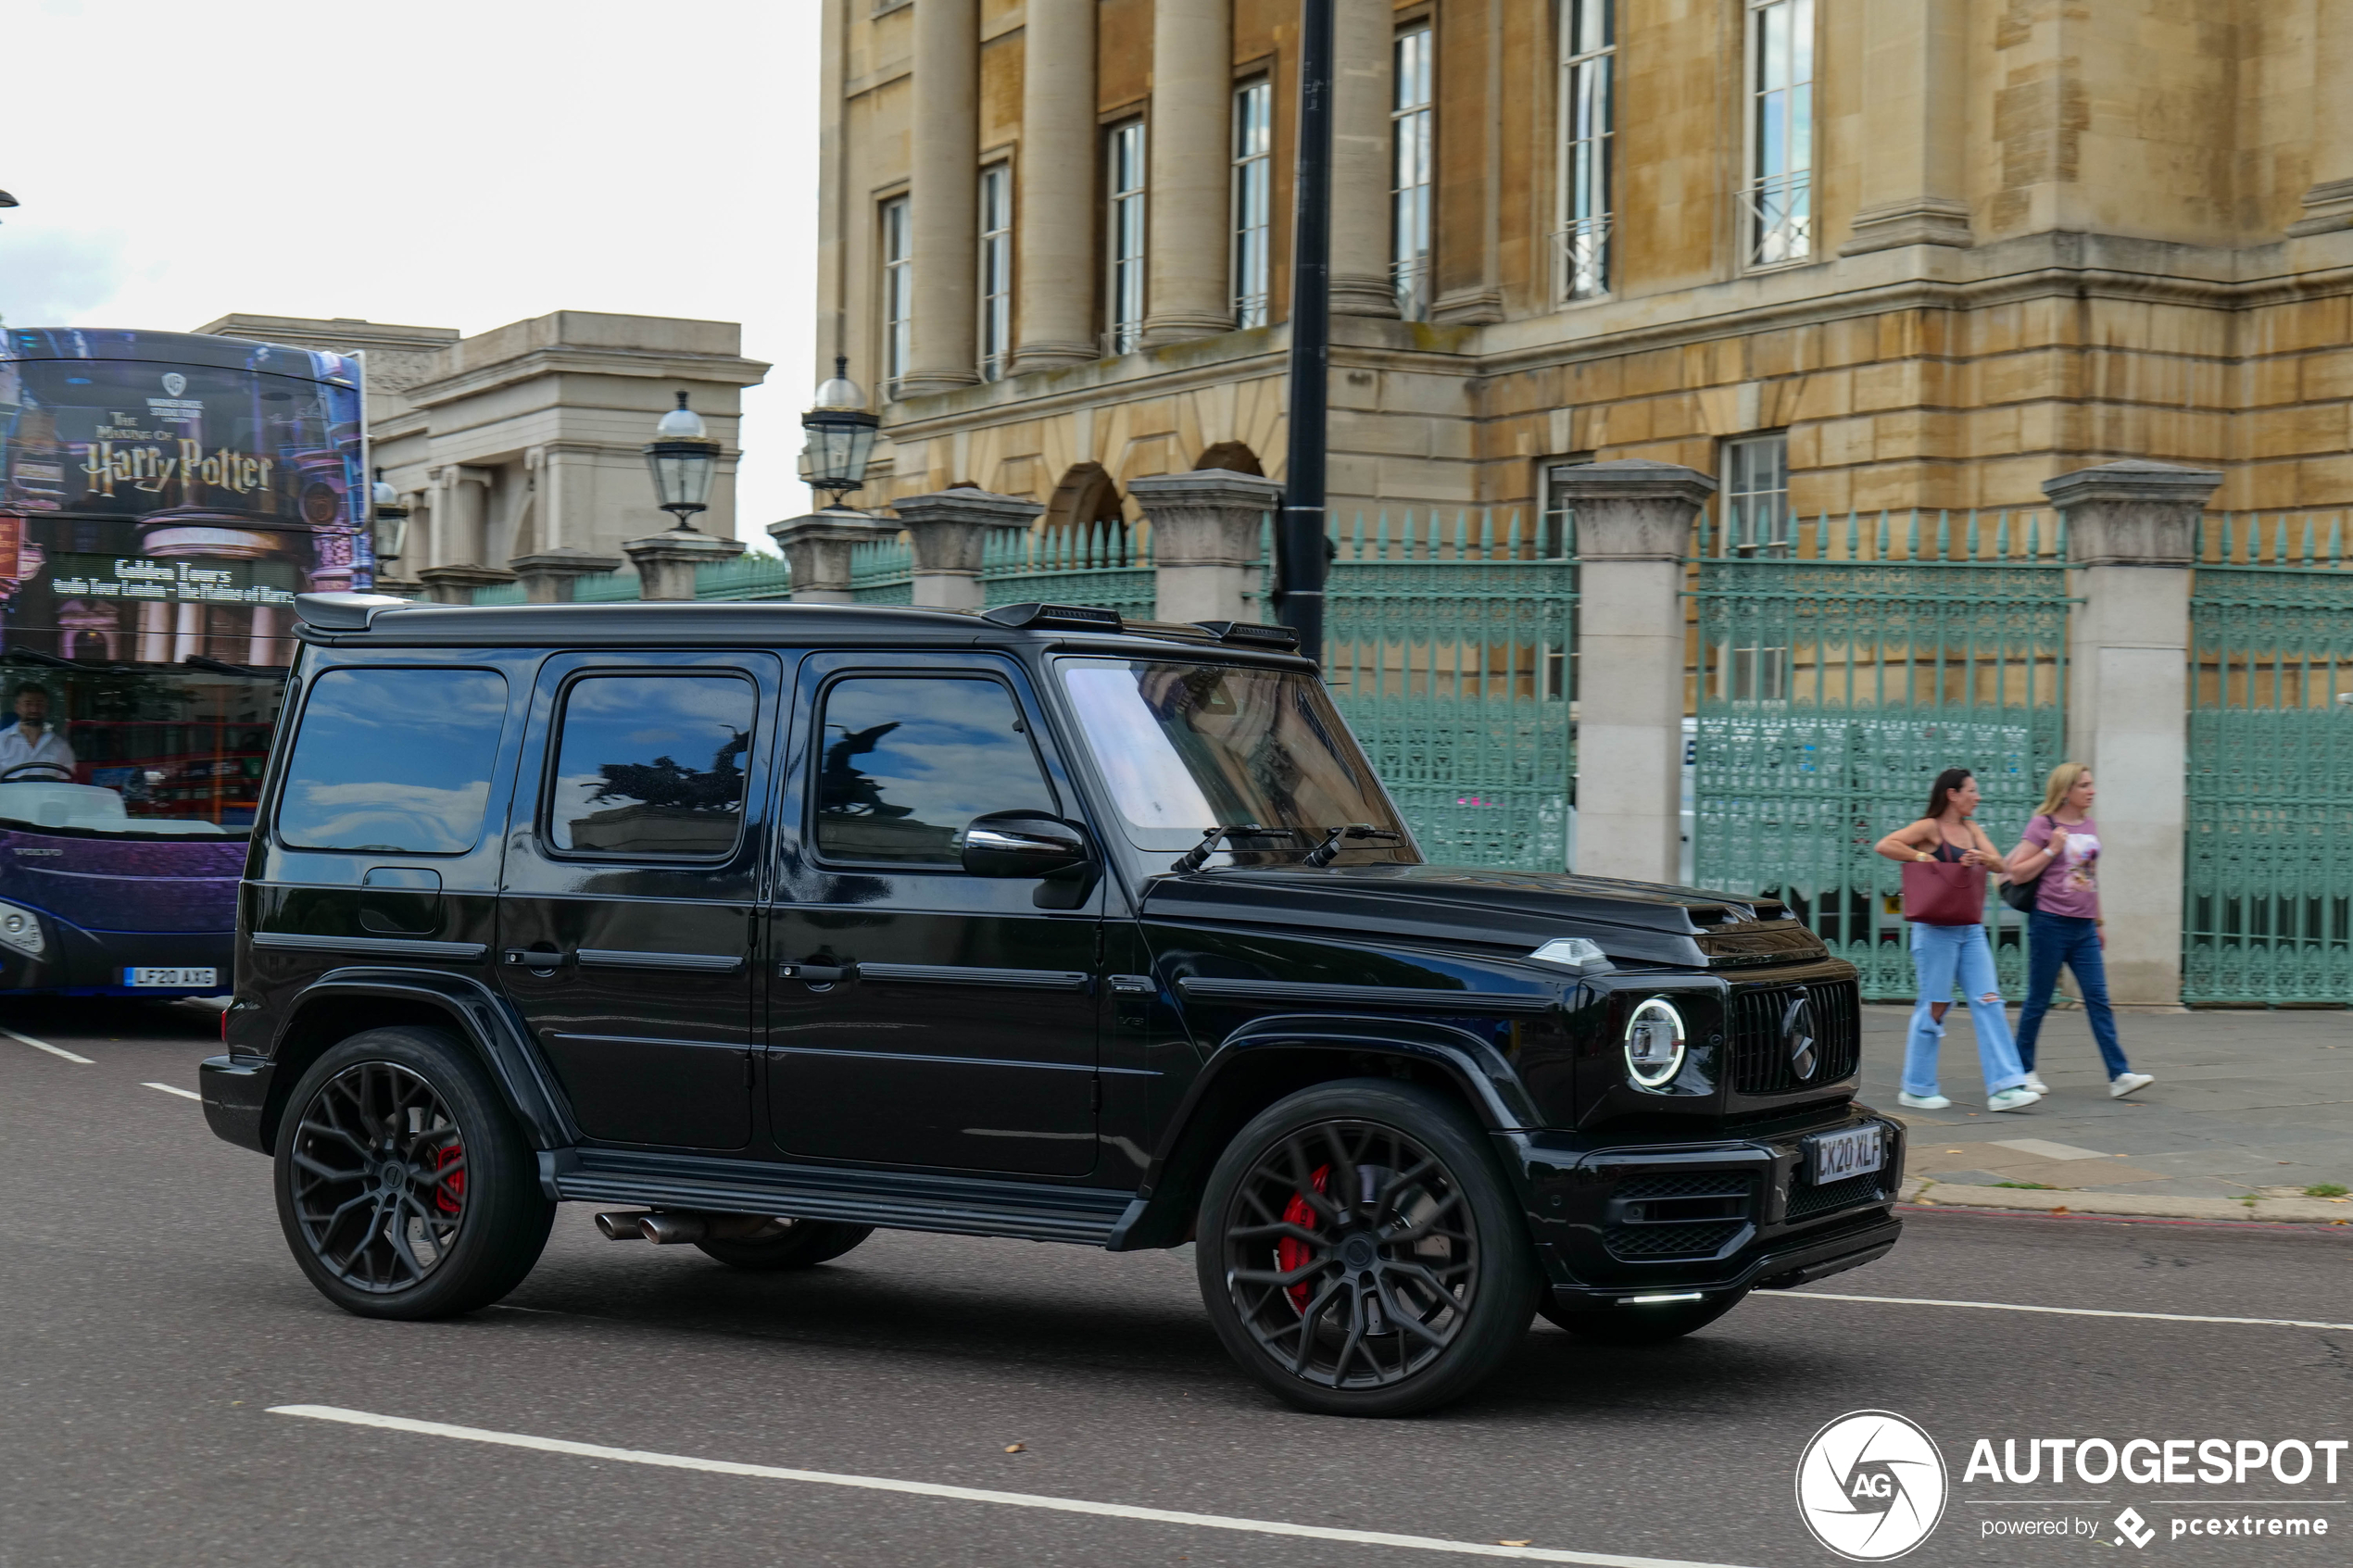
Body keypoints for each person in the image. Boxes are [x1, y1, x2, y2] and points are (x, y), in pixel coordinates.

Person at [1872, 768, 2041, 1112]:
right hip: (1934, 930)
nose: (1977, 797)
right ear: (1952, 794)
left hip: (1969, 928)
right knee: (1935, 1004)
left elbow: (2001, 864)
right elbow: (1886, 844)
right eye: (1972, 791)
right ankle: (1917, 1087)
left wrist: (1981, 858)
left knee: (1989, 999)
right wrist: (1923, 857)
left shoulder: (1971, 829)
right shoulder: (1930, 827)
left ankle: (2006, 1087)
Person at [2006, 763, 2154, 1099]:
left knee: (2098, 999)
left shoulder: (2089, 825)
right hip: (2050, 923)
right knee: (2039, 999)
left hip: (2084, 927)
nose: (2092, 790)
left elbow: (2090, 877)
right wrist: (2051, 849)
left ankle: (2120, 1074)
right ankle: (2022, 1070)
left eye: (2091, 784)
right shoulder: (2043, 824)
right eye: (2085, 785)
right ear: (2065, 791)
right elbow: (2017, 874)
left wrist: (2098, 922)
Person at [0, 685, 74, 775]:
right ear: (17, 707)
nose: (34, 709)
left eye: (39, 704)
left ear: (46, 708)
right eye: (28, 703)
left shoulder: (60, 745)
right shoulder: (2, 741)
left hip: (51, 789)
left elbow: (68, 781)